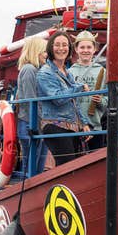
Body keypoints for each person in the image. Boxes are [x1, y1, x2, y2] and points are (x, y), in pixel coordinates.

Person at [37, 31, 93, 166]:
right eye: (57, 45)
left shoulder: (66, 72)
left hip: (70, 126)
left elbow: (74, 101)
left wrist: (84, 123)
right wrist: (79, 88)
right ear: (50, 47)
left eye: (65, 45)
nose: (61, 48)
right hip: (55, 125)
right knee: (67, 166)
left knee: (72, 166)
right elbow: (58, 98)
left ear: (69, 49)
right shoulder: (45, 73)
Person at [15, 37, 49, 177]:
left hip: (36, 122)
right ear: (37, 51)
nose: (47, 55)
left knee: (38, 164)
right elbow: (30, 100)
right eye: (45, 51)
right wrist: (41, 123)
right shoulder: (29, 70)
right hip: (31, 123)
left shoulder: (36, 70)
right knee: (31, 166)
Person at [68, 31, 106, 151]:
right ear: (76, 49)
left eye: (89, 47)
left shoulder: (102, 71)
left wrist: (100, 100)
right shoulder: (69, 72)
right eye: (82, 47)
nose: (86, 50)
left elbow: (109, 100)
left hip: (96, 125)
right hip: (74, 125)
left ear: (94, 49)